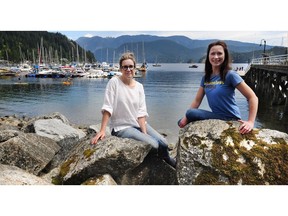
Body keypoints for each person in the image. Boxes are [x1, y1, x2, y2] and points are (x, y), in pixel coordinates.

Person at [91, 52, 176, 168]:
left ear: (135, 68)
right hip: (121, 127)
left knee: (164, 143)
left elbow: (141, 112)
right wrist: (102, 130)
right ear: (120, 68)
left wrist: (144, 133)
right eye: (125, 67)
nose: (128, 69)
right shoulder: (114, 82)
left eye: (131, 66)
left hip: (137, 123)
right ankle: (155, 164)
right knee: (154, 145)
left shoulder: (139, 87)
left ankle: (166, 159)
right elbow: (107, 107)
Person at [178, 40, 258, 135]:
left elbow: (252, 97)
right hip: (217, 116)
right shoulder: (206, 78)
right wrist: (185, 118)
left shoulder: (230, 75)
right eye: (213, 54)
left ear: (225, 56)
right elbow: (197, 101)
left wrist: (250, 122)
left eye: (219, 53)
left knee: (191, 113)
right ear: (208, 56)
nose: (216, 57)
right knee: (181, 120)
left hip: (230, 117)